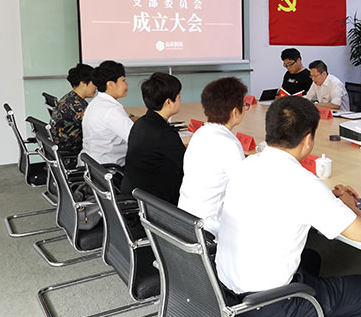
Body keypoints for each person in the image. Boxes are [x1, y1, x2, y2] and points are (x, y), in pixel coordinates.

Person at [216, 96, 361, 317]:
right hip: (267, 308)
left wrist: (327, 201)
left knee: (311, 258)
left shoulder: (246, 165)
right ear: (308, 139)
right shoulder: (303, 183)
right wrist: (349, 205)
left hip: (225, 296)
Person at [178, 77, 248, 237]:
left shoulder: (200, 133)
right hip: (209, 231)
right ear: (234, 112)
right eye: (244, 105)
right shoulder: (229, 143)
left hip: (185, 220)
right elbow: (245, 191)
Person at [121, 73, 185, 205]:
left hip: (136, 195)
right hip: (156, 204)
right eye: (179, 97)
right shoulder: (164, 133)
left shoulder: (141, 123)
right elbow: (187, 165)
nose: (180, 100)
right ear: (168, 102)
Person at [80, 60, 135, 167]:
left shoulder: (96, 103)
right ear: (110, 84)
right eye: (123, 80)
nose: (126, 84)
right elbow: (136, 139)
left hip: (93, 166)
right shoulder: (111, 110)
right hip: (109, 168)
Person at [49, 63, 96, 154]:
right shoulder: (76, 105)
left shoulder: (70, 98)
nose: (96, 87)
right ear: (83, 83)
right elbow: (95, 127)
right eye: (93, 82)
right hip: (70, 150)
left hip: (59, 146)